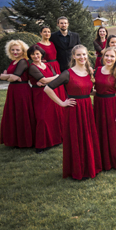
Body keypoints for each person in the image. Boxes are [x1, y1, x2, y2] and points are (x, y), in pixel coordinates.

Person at [44, 45, 102, 180]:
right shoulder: (67, 73)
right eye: (79, 55)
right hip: (74, 109)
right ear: (74, 56)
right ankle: (78, 169)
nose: (82, 57)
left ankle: (90, 166)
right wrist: (62, 103)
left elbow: (88, 91)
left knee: (88, 136)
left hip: (87, 108)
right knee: (77, 138)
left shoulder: (89, 72)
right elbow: (47, 88)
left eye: (84, 54)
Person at [94, 47, 116, 171]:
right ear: (103, 57)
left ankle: (115, 161)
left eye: (112, 56)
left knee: (113, 133)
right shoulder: (96, 70)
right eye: (107, 56)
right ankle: (102, 161)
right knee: (99, 132)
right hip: (98, 105)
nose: (109, 58)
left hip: (112, 105)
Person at [27, 44, 64, 153]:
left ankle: (55, 140)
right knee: (42, 118)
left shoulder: (47, 65)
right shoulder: (32, 67)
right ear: (30, 56)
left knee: (53, 116)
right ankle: (41, 144)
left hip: (51, 93)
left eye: (37, 54)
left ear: (41, 54)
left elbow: (49, 80)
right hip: (40, 95)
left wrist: (49, 79)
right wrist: (56, 77)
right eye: (33, 54)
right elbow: (44, 80)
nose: (35, 56)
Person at [0, 40, 35, 148]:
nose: (15, 52)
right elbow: (4, 77)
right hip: (12, 90)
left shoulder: (23, 61)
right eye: (13, 50)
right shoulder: (13, 62)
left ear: (23, 50)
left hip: (22, 90)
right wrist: (6, 76)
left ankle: (25, 141)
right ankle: (14, 140)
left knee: (21, 114)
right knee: (13, 114)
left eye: (17, 50)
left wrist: (6, 76)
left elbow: (13, 77)